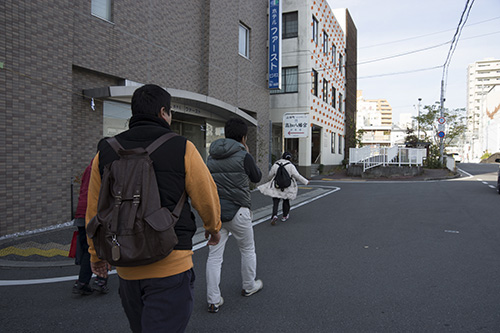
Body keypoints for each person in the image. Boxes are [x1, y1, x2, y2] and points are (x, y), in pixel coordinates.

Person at [85, 84, 221, 332]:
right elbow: (206, 195)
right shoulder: (182, 147)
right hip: (171, 260)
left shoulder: (104, 151)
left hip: (125, 262)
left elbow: (94, 210)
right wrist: (213, 228)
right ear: (163, 112)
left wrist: (96, 255)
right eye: (170, 113)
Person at [205, 118, 263, 313]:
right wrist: (247, 155)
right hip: (239, 211)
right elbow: (256, 177)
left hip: (218, 213)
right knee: (247, 250)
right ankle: (249, 286)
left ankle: (213, 300)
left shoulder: (211, 156)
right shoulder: (243, 155)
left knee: (214, 257)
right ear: (244, 137)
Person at [72, 159, 108, 295]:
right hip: (94, 214)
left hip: (81, 214)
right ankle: (100, 280)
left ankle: (82, 282)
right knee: (101, 248)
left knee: (87, 249)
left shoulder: (88, 168)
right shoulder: (102, 167)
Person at [258, 152, 309, 225]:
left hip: (277, 185)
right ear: (289, 158)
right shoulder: (291, 166)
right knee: (286, 200)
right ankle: (285, 216)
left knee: (275, 201)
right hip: (287, 186)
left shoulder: (276, 164)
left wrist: (270, 180)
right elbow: (297, 175)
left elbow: (270, 175)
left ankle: (274, 215)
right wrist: (306, 182)